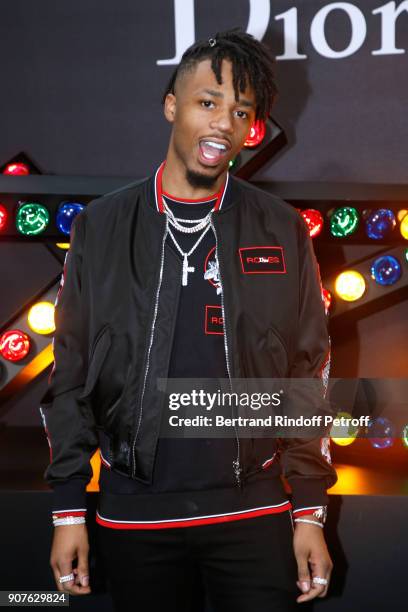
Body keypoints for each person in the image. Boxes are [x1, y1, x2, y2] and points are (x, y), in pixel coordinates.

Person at [39, 28, 337, 612]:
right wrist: (69, 507)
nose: (224, 123)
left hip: (253, 512)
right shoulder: (99, 228)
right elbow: (70, 372)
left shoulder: (281, 228)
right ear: (171, 106)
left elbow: (309, 370)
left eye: (241, 111)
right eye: (208, 102)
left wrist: (310, 511)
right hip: (135, 514)